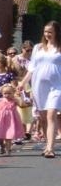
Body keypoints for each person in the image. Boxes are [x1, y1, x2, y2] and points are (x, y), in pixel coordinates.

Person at [20, 20, 61, 158]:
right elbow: (31, 68)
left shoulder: (60, 47)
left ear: (56, 32)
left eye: (50, 32)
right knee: (43, 117)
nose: (47, 34)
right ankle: (47, 143)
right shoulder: (37, 48)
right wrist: (22, 82)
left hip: (56, 85)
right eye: (45, 32)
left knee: (51, 114)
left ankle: (50, 148)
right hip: (39, 85)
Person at [0, 84, 23, 155]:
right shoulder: (0, 100)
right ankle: (2, 146)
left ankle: (8, 150)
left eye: (9, 93)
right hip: (1, 120)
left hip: (11, 120)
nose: (7, 95)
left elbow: (21, 104)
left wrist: (20, 96)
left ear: (13, 93)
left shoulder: (14, 100)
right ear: (2, 93)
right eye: (5, 93)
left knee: (8, 136)